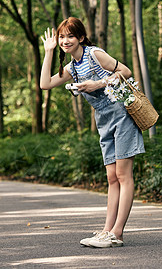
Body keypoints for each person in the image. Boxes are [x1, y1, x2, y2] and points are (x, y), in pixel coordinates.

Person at [40, 17, 145, 248]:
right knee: (111, 177)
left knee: (124, 175)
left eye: (70, 36)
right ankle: (107, 230)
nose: (65, 41)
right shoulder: (72, 67)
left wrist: (97, 85)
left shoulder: (94, 54)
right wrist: (48, 51)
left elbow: (125, 72)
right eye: (62, 37)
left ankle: (117, 233)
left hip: (121, 113)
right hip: (103, 119)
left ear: (80, 38)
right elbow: (45, 84)